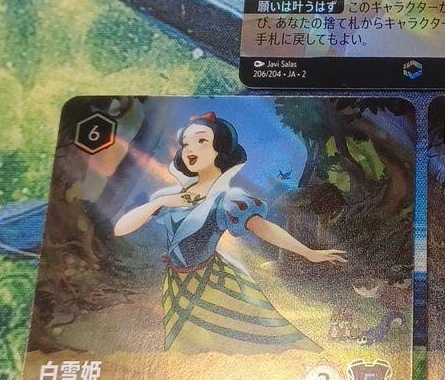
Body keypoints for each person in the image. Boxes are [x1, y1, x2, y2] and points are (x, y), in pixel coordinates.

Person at [114, 113, 345, 353]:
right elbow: (121, 228)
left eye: (202, 141)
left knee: (236, 341)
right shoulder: (170, 198)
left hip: (210, 282)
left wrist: (307, 252)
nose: (190, 148)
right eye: (186, 143)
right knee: (184, 345)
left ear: (220, 150)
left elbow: (263, 227)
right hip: (175, 283)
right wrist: (159, 202)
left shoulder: (228, 200)